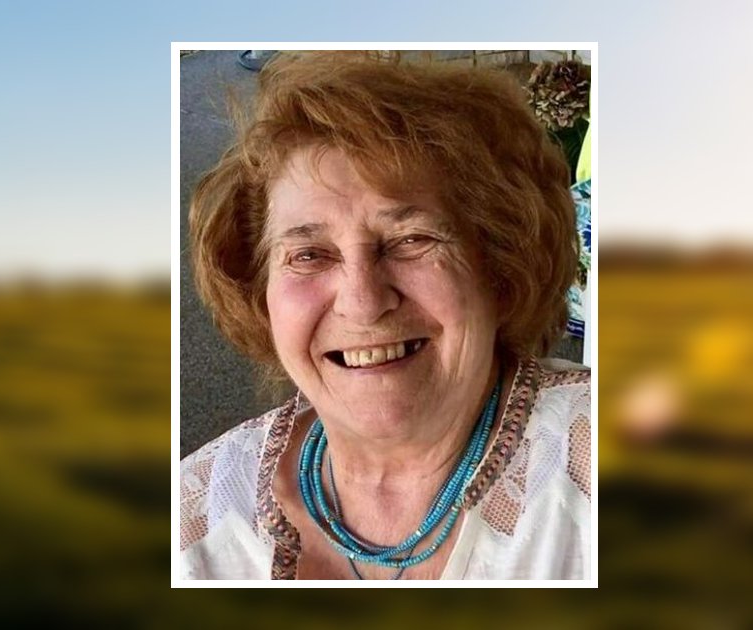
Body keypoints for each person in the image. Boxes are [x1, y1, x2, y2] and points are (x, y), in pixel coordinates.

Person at [181, 52, 591, 580]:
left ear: (500, 269)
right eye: (309, 255)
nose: (363, 302)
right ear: (261, 293)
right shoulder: (193, 515)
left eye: (411, 240)